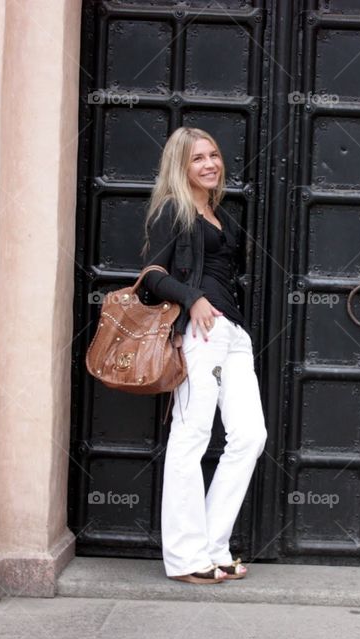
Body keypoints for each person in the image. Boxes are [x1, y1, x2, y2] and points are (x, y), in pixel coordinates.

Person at [139, 126, 267, 584]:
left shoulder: (218, 214)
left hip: (232, 335)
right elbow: (152, 274)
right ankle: (184, 557)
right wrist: (191, 297)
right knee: (191, 437)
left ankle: (212, 546)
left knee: (250, 436)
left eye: (214, 155)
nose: (210, 164)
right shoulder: (173, 211)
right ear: (181, 165)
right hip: (199, 333)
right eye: (198, 159)